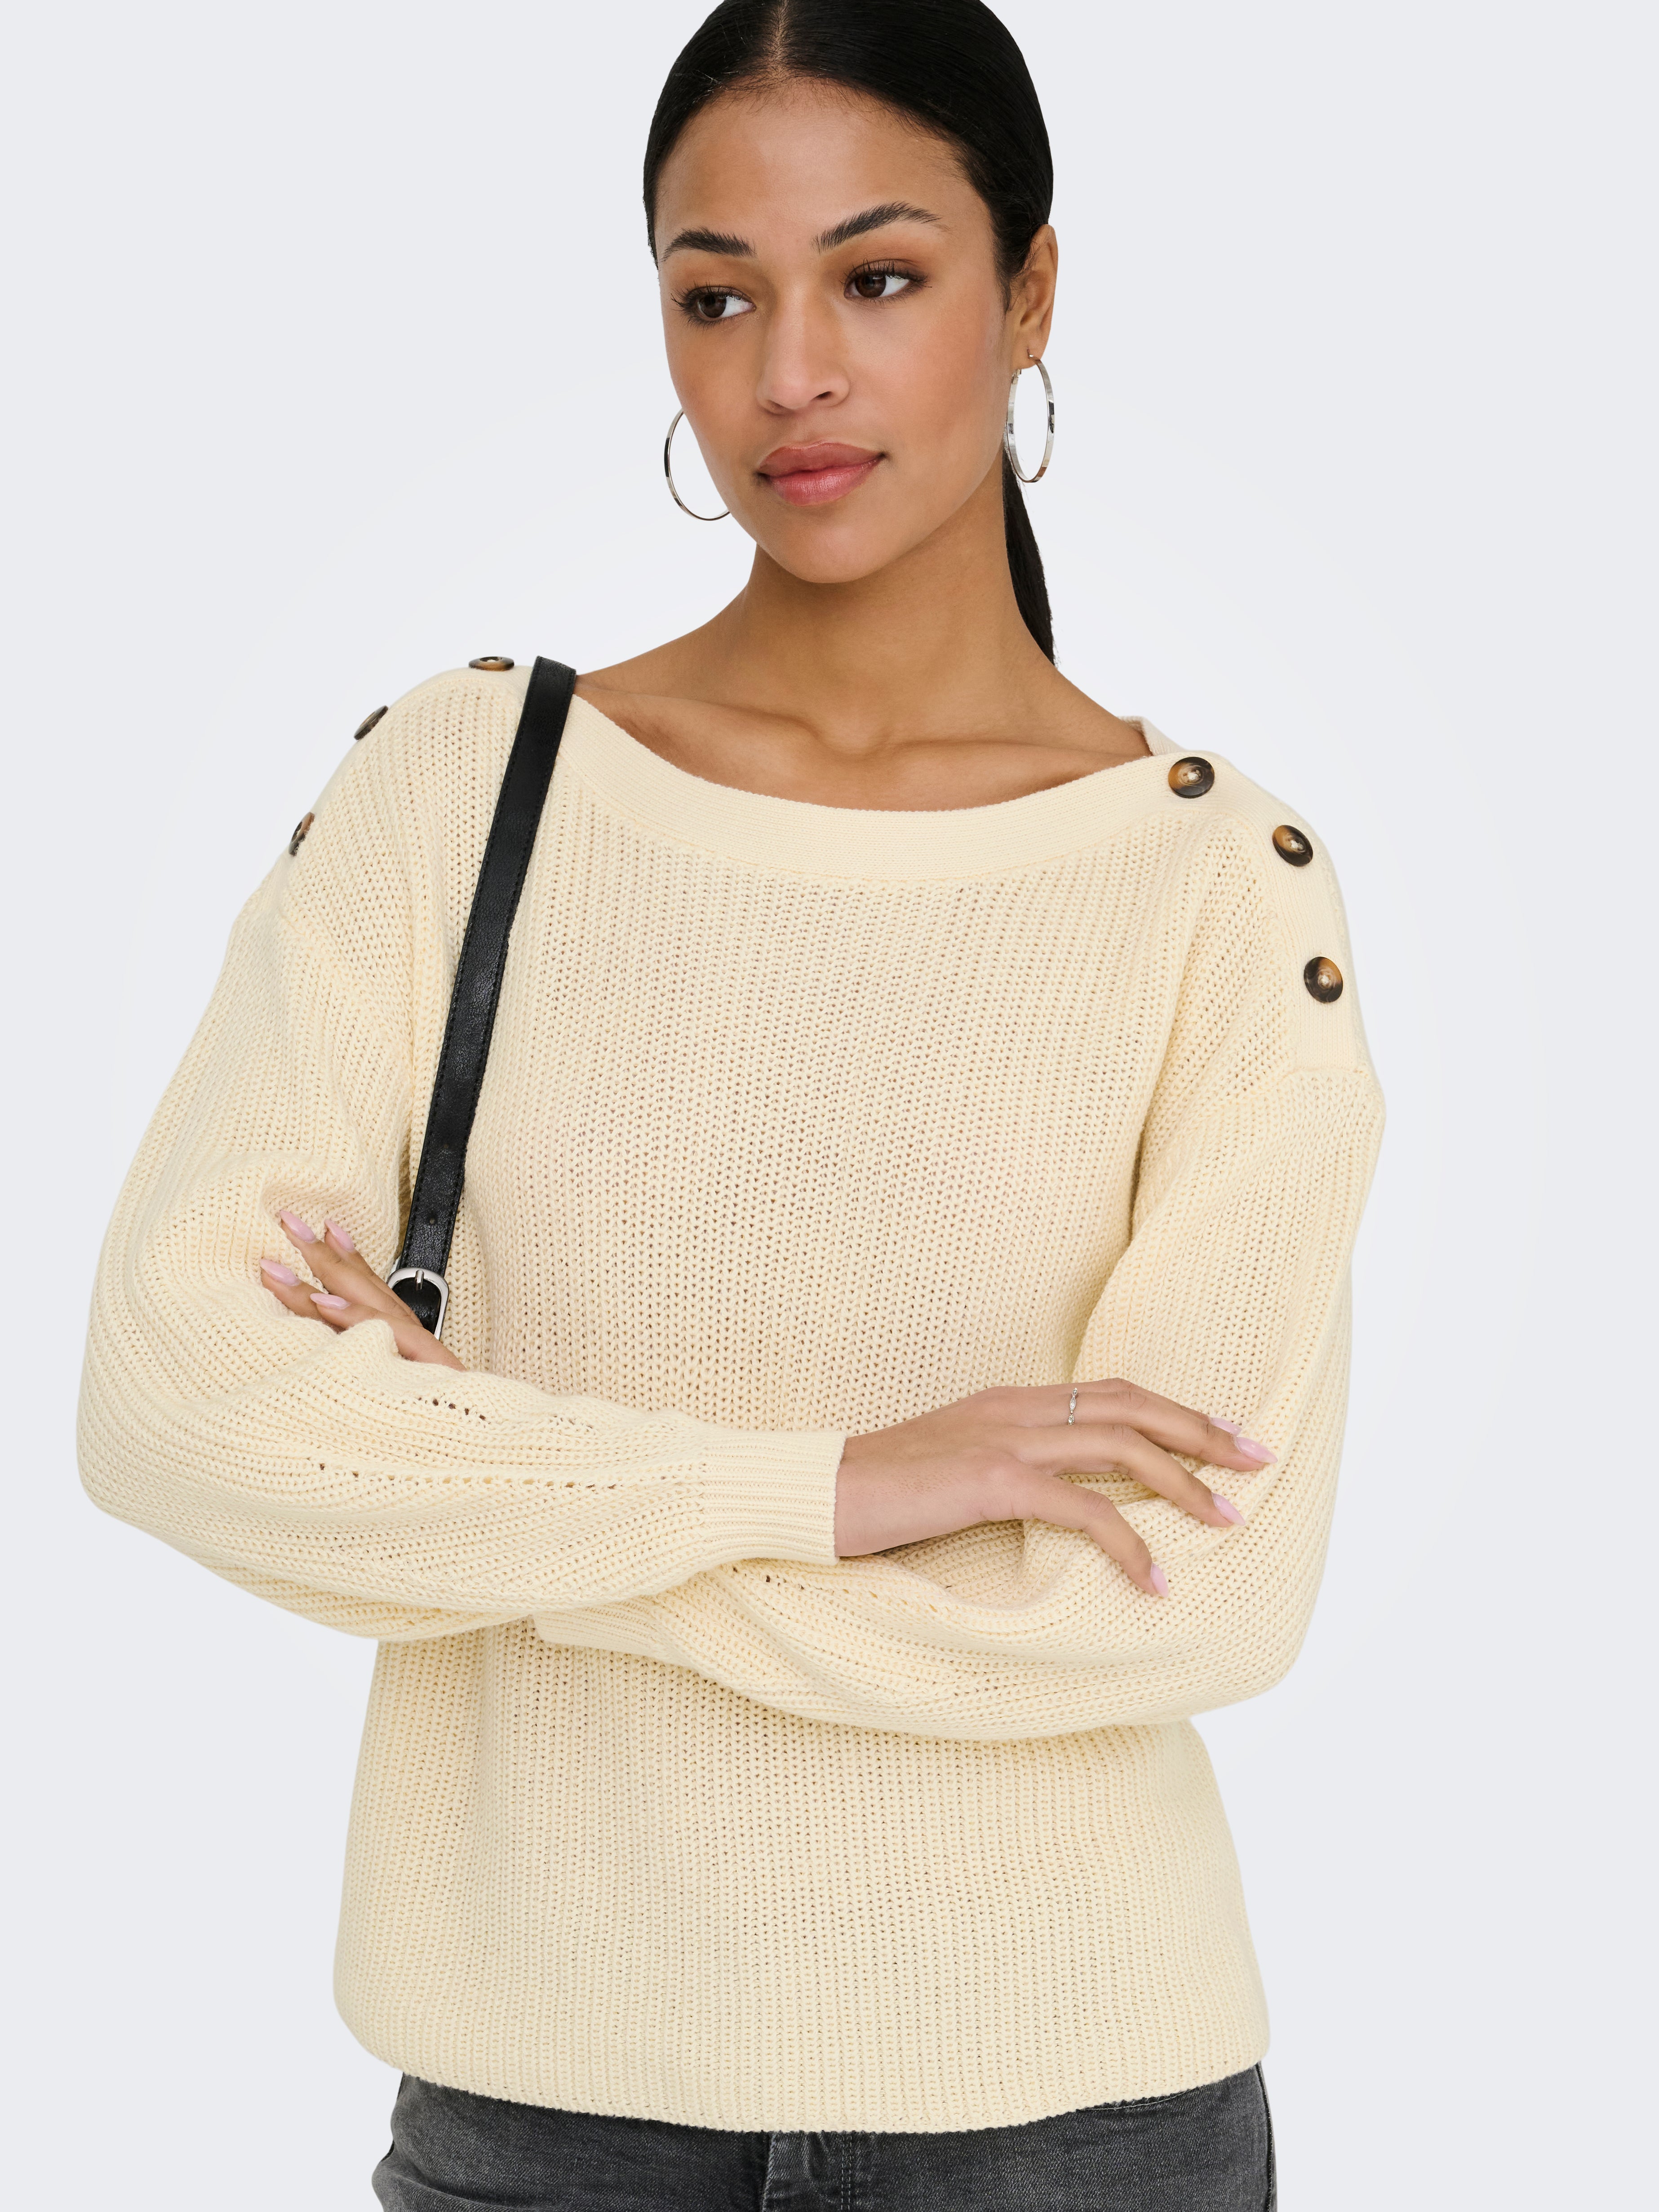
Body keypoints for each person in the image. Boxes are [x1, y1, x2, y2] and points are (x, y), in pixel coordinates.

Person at [78, 2, 1383, 2204]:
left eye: (876, 278)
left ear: (1027, 292)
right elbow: (170, 1407)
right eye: (715, 296)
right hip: (535, 2113)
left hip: (1068, 2120)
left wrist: (486, 1504)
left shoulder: (1208, 891)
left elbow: (1178, 1596)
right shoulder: (462, 796)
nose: (791, 370)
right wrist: (843, 1485)